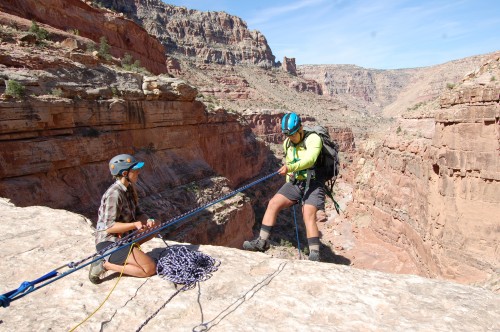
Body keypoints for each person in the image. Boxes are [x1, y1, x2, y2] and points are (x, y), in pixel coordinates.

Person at [243, 112, 325, 261]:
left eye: (292, 134)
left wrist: (291, 168)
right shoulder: (287, 143)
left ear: (300, 128)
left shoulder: (313, 139)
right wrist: (289, 177)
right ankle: (262, 242)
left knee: (308, 214)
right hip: (296, 182)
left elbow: (310, 160)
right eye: (288, 135)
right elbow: (289, 160)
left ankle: (314, 254)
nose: (290, 138)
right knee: (273, 203)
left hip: (314, 183)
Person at [89, 153, 160, 284]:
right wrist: (135, 225)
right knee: (149, 268)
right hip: (110, 243)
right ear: (124, 173)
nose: (138, 172)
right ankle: (105, 265)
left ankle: (131, 253)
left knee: (156, 225)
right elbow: (109, 227)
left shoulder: (129, 189)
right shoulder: (114, 194)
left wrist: (148, 220)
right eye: (135, 170)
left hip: (125, 238)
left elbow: (139, 213)